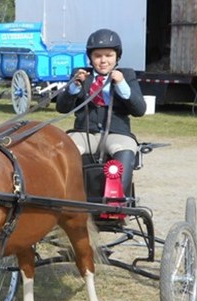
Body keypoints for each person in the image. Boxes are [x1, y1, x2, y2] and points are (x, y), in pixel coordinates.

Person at [56, 28, 147, 198]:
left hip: (116, 132)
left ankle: (116, 200)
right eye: (98, 56)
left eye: (108, 55)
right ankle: (64, 197)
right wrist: (74, 86)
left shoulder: (127, 75)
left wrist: (121, 85)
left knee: (126, 149)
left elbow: (139, 110)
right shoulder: (81, 75)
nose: (103, 60)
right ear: (90, 58)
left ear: (117, 57)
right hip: (84, 132)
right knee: (64, 148)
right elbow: (62, 108)